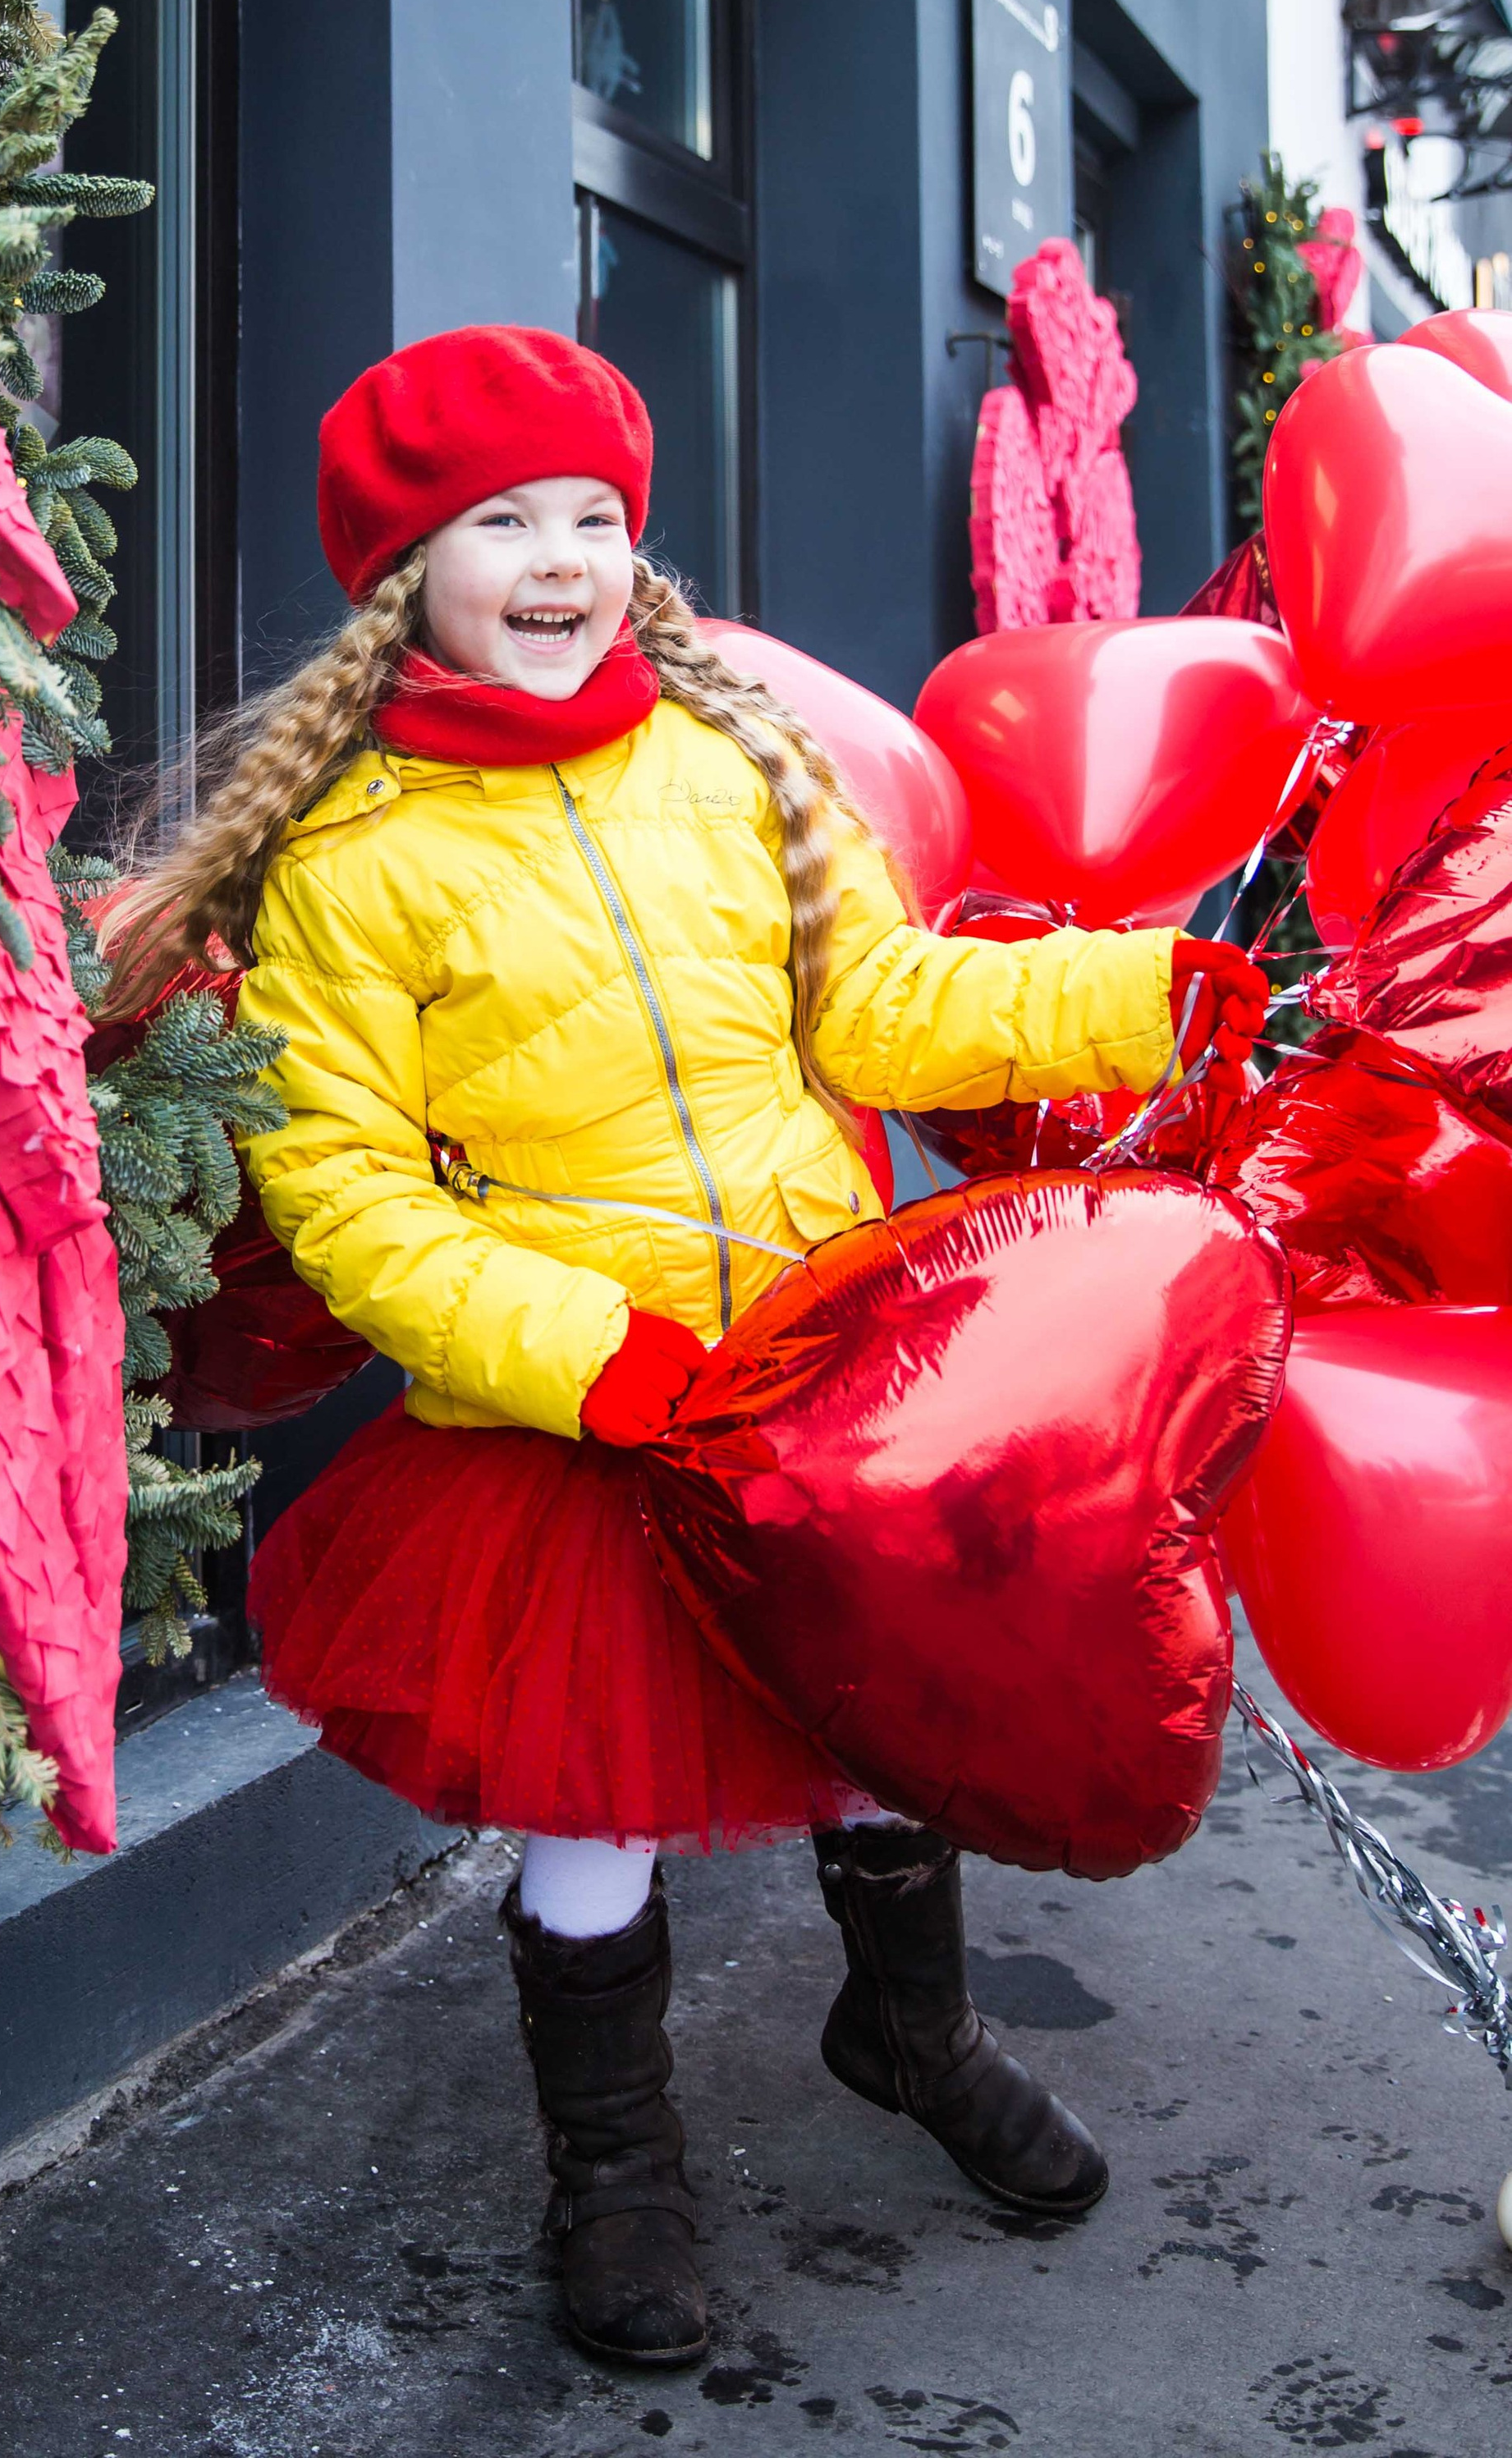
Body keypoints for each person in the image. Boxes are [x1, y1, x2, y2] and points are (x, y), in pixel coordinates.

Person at [103, 326, 1268, 2371]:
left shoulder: (731, 763)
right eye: (498, 524)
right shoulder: (354, 865)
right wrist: (586, 1353)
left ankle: (911, 2034)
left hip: (835, 1361)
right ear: (408, 577)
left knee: (885, 1735)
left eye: (590, 519)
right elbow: (354, 1202)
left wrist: (1131, 1002)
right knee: (597, 1811)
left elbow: (883, 1010)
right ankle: (615, 2172)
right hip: (594, 1412)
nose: (554, 558)